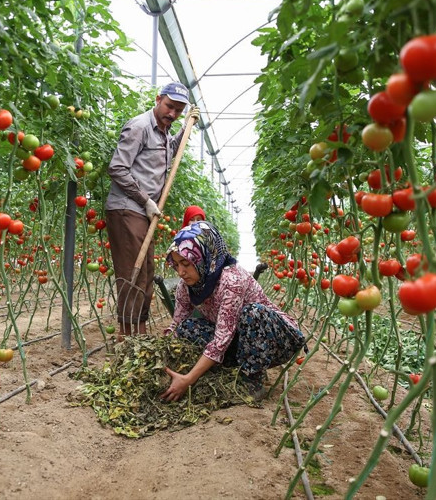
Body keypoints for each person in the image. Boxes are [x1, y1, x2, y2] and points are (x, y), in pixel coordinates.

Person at [160, 221, 306, 402]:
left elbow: (222, 337)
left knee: (252, 313)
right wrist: (159, 355)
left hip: (275, 340)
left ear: (204, 257)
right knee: (186, 328)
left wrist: (188, 379)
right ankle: (236, 366)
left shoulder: (232, 280)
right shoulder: (186, 286)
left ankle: (254, 378)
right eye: (176, 265)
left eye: (186, 263)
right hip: (238, 338)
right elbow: (176, 324)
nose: (181, 272)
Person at [105, 82, 199, 337]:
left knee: (146, 272)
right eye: (170, 107)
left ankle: (141, 332)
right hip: (127, 208)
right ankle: (127, 334)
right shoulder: (140, 127)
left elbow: (173, 151)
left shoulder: (165, 132)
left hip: (144, 211)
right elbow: (117, 168)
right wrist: (145, 200)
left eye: (179, 110)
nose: (172, 114)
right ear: (158, 99)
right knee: (131, 272)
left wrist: (187, 126)